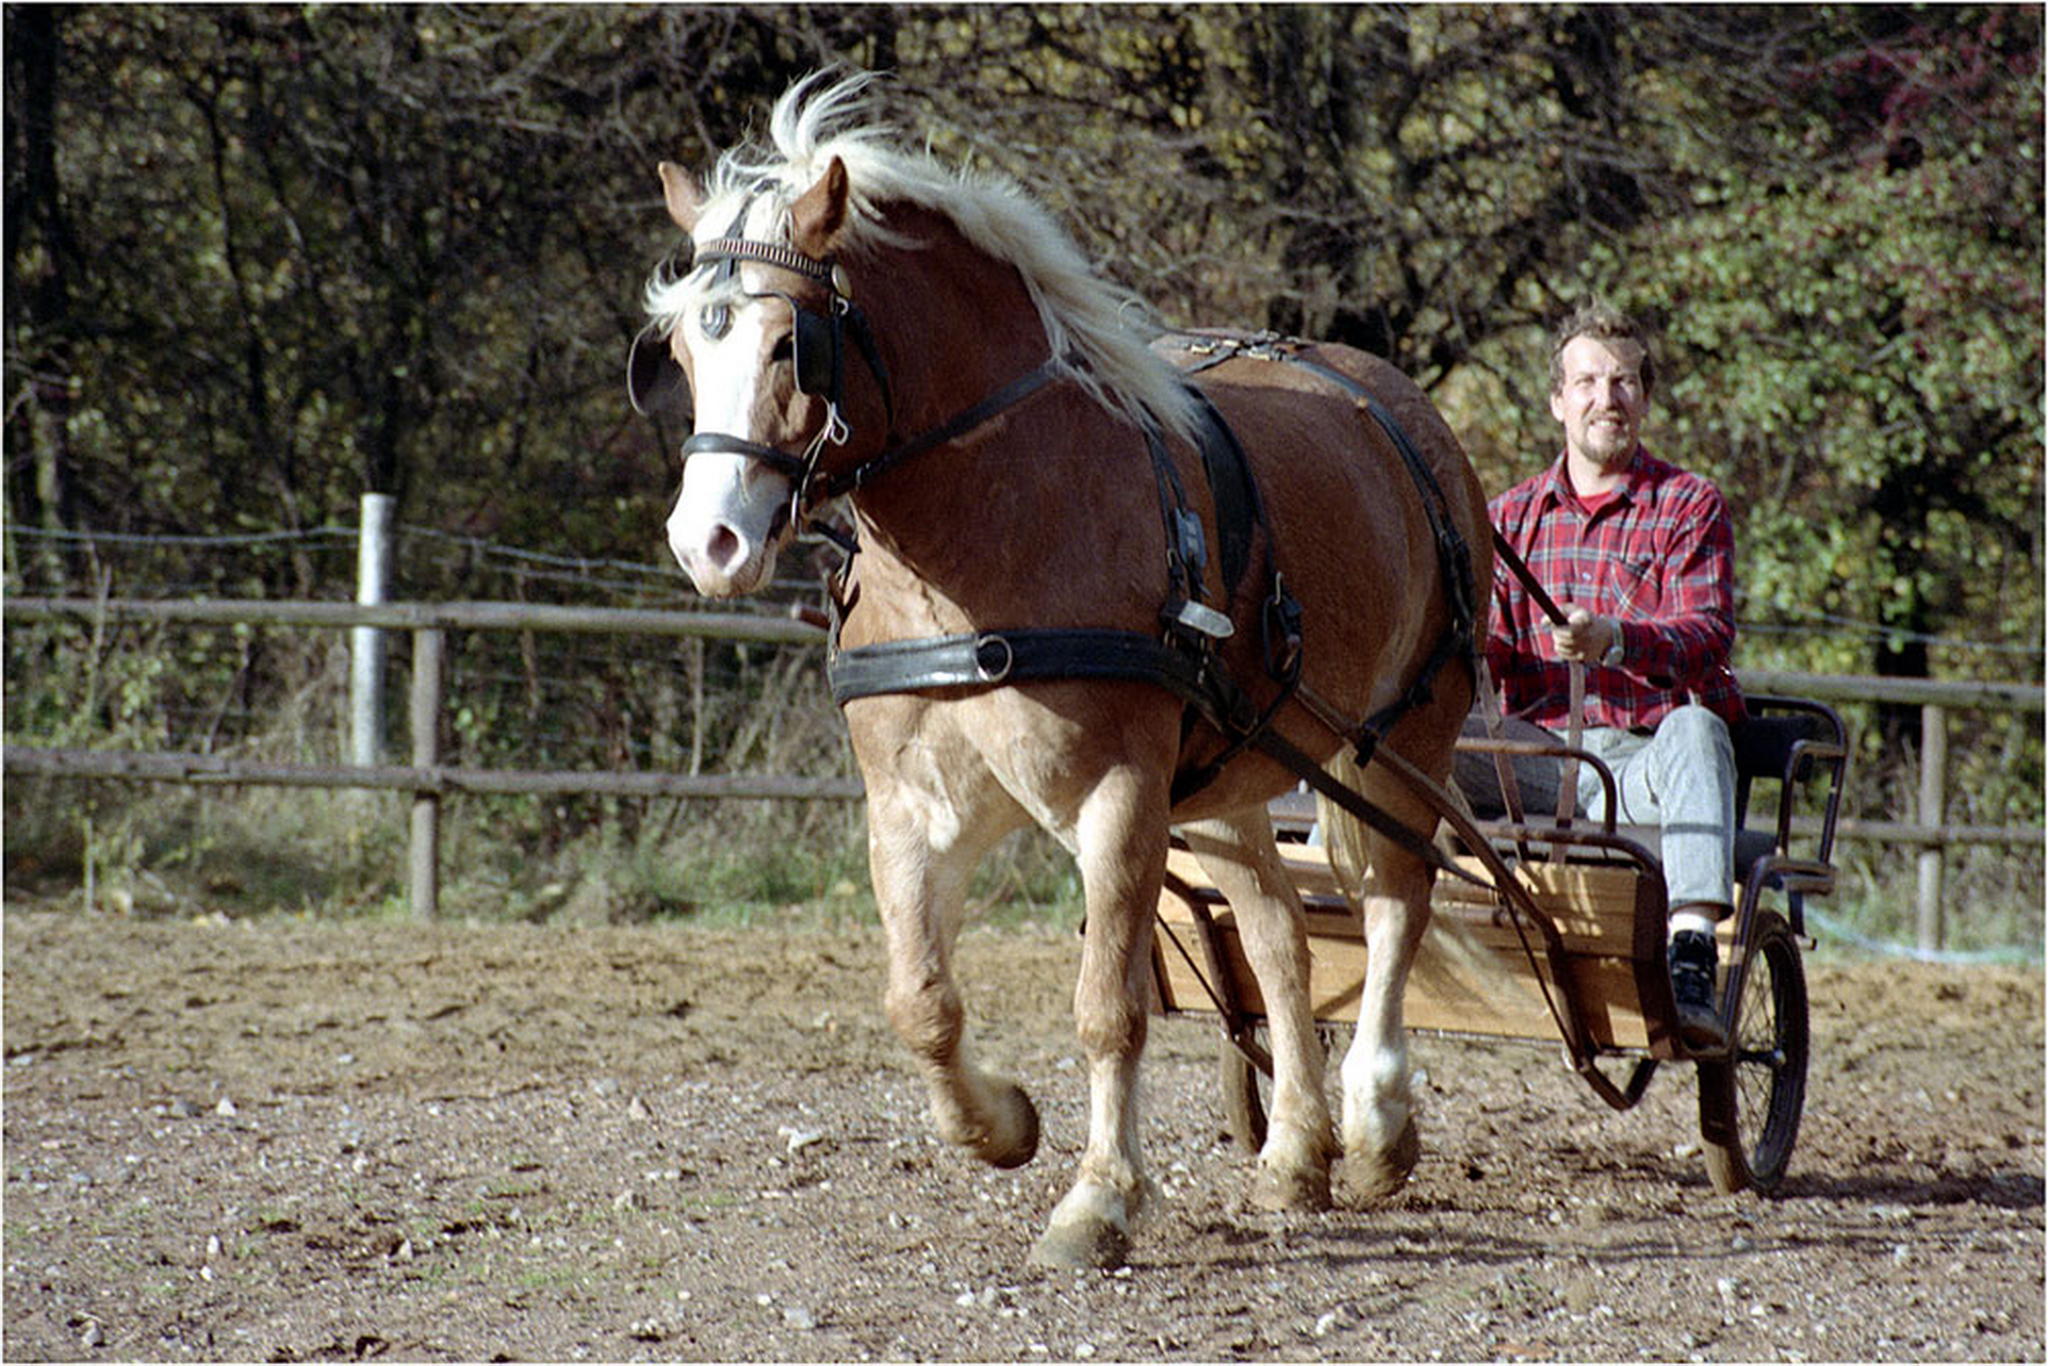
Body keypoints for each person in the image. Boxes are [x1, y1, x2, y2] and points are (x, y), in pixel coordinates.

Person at [1483, 301, 1743, 1051]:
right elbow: (1485, 650)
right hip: (1535, 763)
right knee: (1408, 736)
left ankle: (1691, 957)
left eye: (1624, 381)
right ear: (1557, 401)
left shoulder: (1687, 505)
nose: (1608, 398)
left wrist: (1617, 640)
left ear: (1646, 399)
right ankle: (1343, 904)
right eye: (1588, 382)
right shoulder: (1507, 520)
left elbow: (1707, 633)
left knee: (1696, 728)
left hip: (1641, 766)